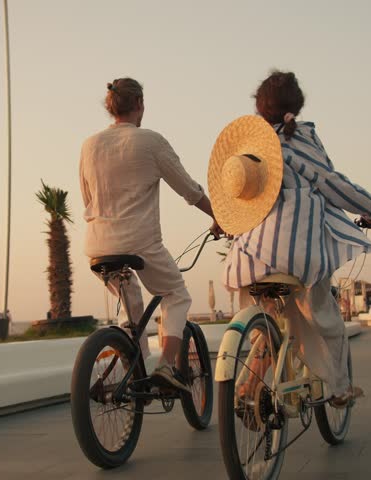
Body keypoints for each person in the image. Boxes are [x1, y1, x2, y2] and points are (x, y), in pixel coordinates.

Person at [214, 71, 371, 408]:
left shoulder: (249, 149)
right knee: (324, 316)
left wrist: (222, 221)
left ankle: (251, 384)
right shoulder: (300, 139)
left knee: (266, 320)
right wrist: (370, 206)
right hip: (297, 255)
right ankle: (338, 387)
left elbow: (234, 202)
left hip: (247, 258)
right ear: (297, 105)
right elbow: (331, 183)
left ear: (260, 110)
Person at [79, 77, 224, 391]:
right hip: (140, 242)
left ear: (110, 107)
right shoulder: (150, 141)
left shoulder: (89, 145)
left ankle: (132, 373)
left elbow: (88, 199)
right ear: (140, 105)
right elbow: (189, 190)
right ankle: (167, 366)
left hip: (97, 244)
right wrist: (219, 216)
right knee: (175, 294)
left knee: (131, 316)